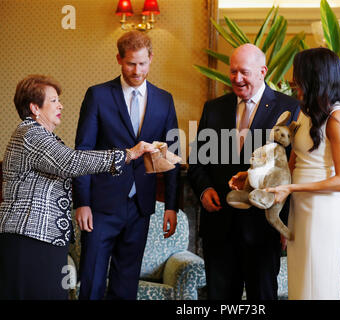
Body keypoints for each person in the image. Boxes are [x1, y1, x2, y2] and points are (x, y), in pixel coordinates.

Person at [0, 75, 152, 300]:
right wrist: (128, 154)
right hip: (28, 239)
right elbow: (71, 162)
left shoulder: (41, 135)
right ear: (35, 107)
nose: (60, 105)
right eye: (53, 100)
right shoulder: (29, 134)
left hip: (42, 239)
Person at [187, 43, 300, 300]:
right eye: (233, 71)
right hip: (219, 225)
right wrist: (204, 190)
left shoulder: (289, 108)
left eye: (244, 72)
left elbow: (294, 170)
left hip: (263, 226)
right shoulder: (213, 108)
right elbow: (196, 161)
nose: (237, 78)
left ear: (262, 71)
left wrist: (286, 221)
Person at [73, 31, 180, 300]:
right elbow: (83, 151)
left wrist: (170, 206)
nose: (137, 70)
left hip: (140, 207)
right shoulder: (97, 95)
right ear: (119, 59)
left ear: (151, 58)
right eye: (131, 63)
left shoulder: (164, 99)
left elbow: (171, 155)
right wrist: (82, 202)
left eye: (143, 63)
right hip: (100, 205)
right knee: (92, 282)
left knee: (126, 284)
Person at [265, 47, 340, 299]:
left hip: (324, 211)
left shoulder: (337, 119)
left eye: (299, 75)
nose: (294, 81)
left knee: (316, 287)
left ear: (315, 77)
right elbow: (293, 165)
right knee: (300, 286)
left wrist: (291, 189)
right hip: (301, 208)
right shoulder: (306, 114)